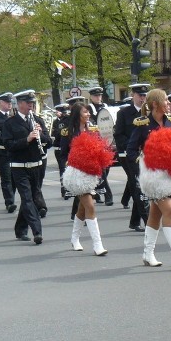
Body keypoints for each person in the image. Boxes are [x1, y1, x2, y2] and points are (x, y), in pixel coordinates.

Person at [127, 89, 171, 268]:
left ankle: (147, 254)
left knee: (155, 214)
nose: (168, 104)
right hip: (153, 176)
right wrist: (145, 164)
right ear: (155, 104)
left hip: (169, 174)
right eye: (165, 101)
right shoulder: (143, 124)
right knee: (169, 210)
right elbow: (131, 150)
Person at [2, 90, 51, 244]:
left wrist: (40, 135)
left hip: (36, 165)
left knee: (30, 199)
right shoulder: (10, 123)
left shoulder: (37, 120)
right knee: (27, 198)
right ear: (20, 104)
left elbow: (49, 142)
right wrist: (27, 139)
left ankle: (20, 229)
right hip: (19, 166)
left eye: (32, 103)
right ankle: (37, 231)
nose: (31, 105)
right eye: (28, 103)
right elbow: (8, 145)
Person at [61, 102, 108, 255]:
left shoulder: (92, 130)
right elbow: (62, 154)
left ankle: (74, 238)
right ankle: (97, 245)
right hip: (76, 174)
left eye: (88, 112)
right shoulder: (67, 132)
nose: (88, 115)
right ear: (77, 115)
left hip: (90, 173)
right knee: (90, 206)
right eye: (85, 112)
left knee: (83, 208)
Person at [113, 83, 150, 231]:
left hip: (145, 155)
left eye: (144, 96)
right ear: (133, 95)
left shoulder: (148, 112)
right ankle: (147, 221)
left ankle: (134, 221)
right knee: (137, 185)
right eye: (139, 95)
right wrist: (132, 146)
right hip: (129, 155)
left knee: (137, 185)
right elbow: (118, 134)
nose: (142, 98)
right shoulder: (124, 113)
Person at [87, 86, 113, 206]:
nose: (98, 97)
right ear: (91, 97)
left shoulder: (105, 107)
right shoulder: (88, 109)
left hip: (106, 142)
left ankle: (97, 192)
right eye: (96, 96)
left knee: (105, 170)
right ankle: (108, 196)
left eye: (100, 95)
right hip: (95, 142)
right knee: (102, 170)